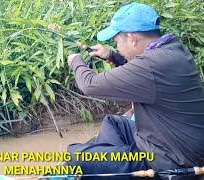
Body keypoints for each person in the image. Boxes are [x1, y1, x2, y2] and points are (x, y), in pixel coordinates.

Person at [66, 2, 204, 180]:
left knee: (75, 155)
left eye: (117, 41)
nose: (118, 46)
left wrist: (76, 61)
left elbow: (90, 84)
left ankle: (111, 166)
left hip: (171, 159)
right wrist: (113, 55)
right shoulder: (172, 50)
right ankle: (113, 165)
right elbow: (148, 78)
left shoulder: (151, 64)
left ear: (132, 38)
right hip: (172, 142)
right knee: (113, 122)